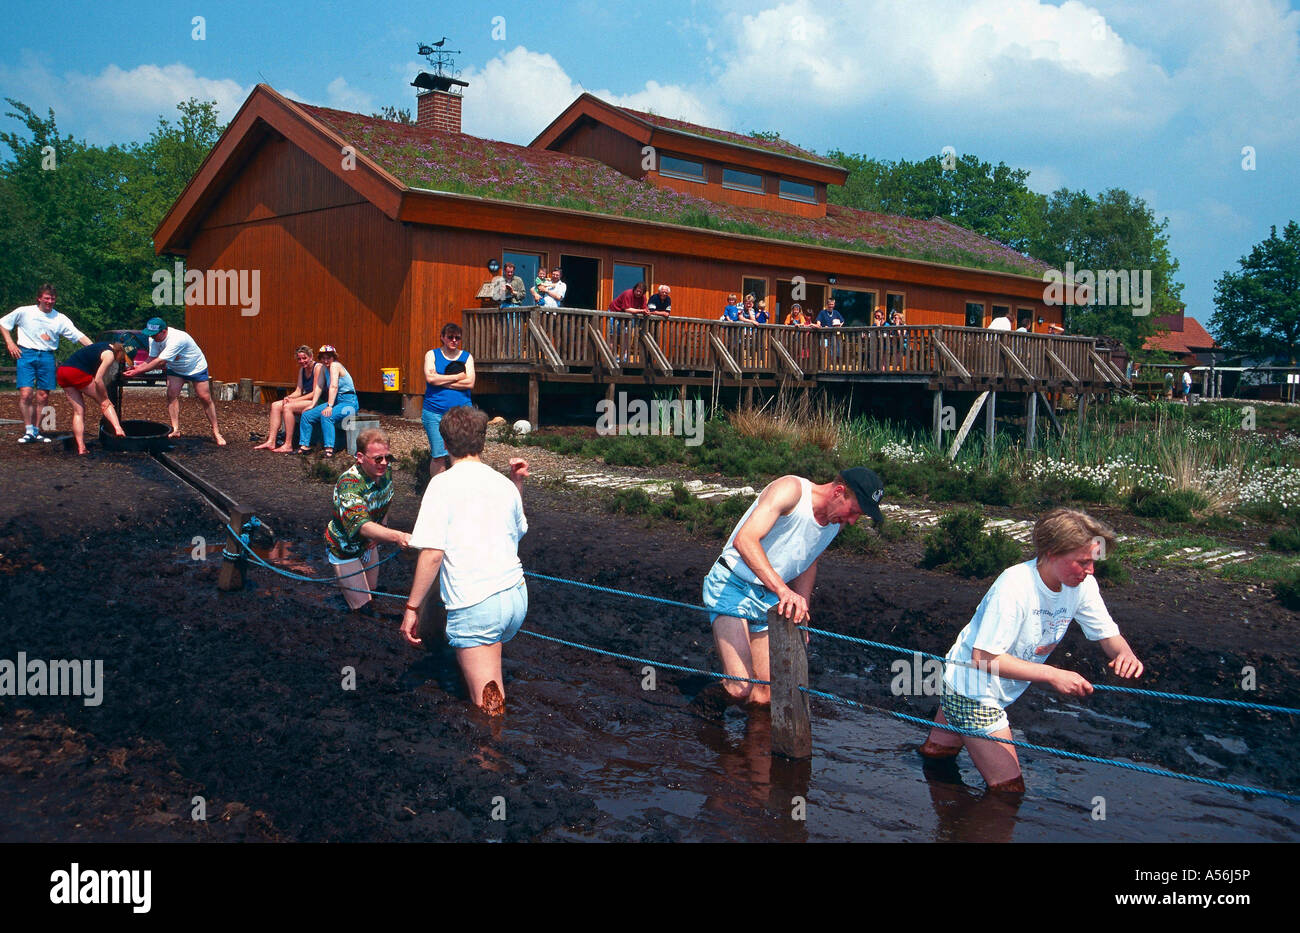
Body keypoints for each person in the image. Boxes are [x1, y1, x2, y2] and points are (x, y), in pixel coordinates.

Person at [919, 508, 1143, 793]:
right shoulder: (1014, 586)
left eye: (1093, 561)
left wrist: (1124, 653)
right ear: (1051, 552)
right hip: (973, 690)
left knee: (937, 757)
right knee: (1009, 793)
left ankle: (944, 822)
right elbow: (984, 658)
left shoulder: (1082, 585)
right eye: (1082, 562)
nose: (1091, 570)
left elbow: (1107, 633)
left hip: (980, 683)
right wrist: (1051, 675)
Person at [702, 467, 885, 704]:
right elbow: (745, 540)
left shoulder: (834, 523)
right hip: (731, 583)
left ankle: (751, 740)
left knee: (765, 696)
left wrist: (802, 610)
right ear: (839, 491)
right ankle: (702, 714)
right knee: (740, 687)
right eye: (853, 512)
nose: (851, 521)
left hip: (767, 594)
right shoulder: (791, 491)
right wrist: (783, 591)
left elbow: (809, 560)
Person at [401, 406, 530, 715]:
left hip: (478, 604)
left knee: (488, 709)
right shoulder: (503, 484)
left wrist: (411, 608)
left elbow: (432, 553)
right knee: (486, 664)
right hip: (514, 596)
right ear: (482, 442)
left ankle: (492, 758)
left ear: (445, 444)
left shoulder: (442, 484)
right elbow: (517, 531)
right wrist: (518, 484)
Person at [325, 427, 410, 614]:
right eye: (378, 459)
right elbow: (361, 525)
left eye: (388, 457)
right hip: (345, 548)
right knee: (363, 607)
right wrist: (398, 536)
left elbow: (385, 500)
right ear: (360, 457)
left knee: (371, 593)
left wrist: (382, 529)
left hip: (369, 543)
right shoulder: (349, 484)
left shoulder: (385, 472)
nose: (384, 463)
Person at [3, 283, 93, 443]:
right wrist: (10, 343)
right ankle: (28, 430)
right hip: (26, 353)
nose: (50, 301)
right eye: (46, 298)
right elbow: (3, 323)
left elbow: (78, 335)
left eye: (52, 298)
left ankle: (37, 430)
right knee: (26, 394)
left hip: (47, 356)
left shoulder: (59, 318)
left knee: (43, 396)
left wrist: (96, 349)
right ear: (39, 298)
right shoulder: (25, 311)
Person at [124, 317, 225, 445]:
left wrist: (138, 372)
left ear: (164, 331)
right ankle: (175, 429)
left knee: (204, 397)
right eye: (151, 335)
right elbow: (152, 358)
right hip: (176, 369)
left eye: (155, 335)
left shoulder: (178, 338)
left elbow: (160, 362)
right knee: (171, 395)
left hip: (195, 366)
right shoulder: (153, 339)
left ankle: (216, 432)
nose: (153, 338)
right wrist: (137, 367)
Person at [55, 341, 128, 455]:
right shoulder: (109, 355)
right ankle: (118, 429)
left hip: (63, 371)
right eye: (122, 359)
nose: (120, 362)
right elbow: (98, 379)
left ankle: (81, 447)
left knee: (79, 411)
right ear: (121, 353)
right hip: (77, 372)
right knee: (105, 402)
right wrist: (105, 397)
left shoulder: (101, 346)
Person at [422, 322, 475, 479]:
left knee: (462, 455)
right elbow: (430, 379)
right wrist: (458, 377)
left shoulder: (467, 357)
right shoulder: (431, 355)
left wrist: (441, 380)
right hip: (434, 412)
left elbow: (470, 383)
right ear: (442, 338)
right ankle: (437, 490)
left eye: (457, 338)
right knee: (439, 455)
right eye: (450, 337)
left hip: (461, 414)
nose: (454, 340)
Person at [255, 345, 321, 452]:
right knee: (275, 405)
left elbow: (315, 393)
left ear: (311, 356)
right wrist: (289, 397)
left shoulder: (317, 368)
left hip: (316, 401)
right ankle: (271, 441)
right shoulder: (302, 370)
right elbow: (298, 391)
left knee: (288, 407)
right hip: (305, 400)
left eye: (304, 358)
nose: (302, 361)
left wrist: (294, 401)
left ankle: (288, 444)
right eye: (299, 359)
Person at [297, 345, 359, 457]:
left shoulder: (335, 366)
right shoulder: (324, 368)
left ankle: (329, 449)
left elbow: (334, 386)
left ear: (334, 357)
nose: (326, 360)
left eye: (328, 357)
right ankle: (304, 446)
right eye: (323, 358)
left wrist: (329, 406)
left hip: (349, 403)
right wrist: (312, 404)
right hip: (336, 401)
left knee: (327, 415)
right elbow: (319, 386)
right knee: (307, 415)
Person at [608, 281, 648, 360]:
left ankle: (624, 357)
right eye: (637, 291)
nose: (638, 293)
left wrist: (646, 311)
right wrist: (641, 311)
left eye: (641, 292)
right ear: (634, 289)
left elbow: (644, 308)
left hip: (626, 317)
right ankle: (612, 357)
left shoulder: (643, 297)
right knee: (613, 335)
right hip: (614, 313)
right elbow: (627, 309)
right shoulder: (628, 294)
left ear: (643, 293)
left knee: (626, 336)